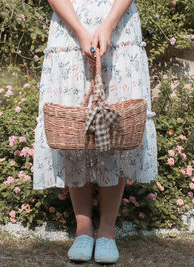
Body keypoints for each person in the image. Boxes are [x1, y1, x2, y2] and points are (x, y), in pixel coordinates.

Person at [33, 0, 158, 263]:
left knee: (114, 132)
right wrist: (79, 29)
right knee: (75, 131)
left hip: (117, 28)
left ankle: (107, 233)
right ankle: (83, 231)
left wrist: (109, 24)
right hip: (70, 30)